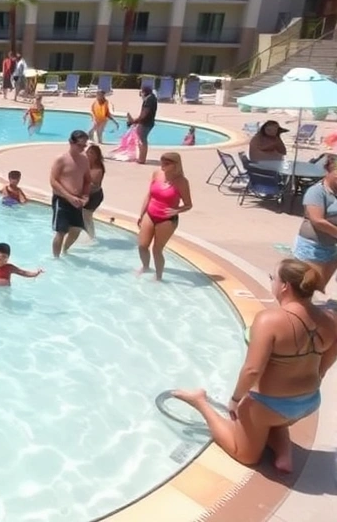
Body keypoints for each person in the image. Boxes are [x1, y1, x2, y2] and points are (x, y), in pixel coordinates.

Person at [172, 259, 337, 473]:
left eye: (273, 278)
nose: (273, 283)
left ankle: (199, 401)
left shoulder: (269, 321)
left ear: (285, 286)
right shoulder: (330, 319)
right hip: (309, 403)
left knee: (246, 454)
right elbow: (325, 365)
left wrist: (235, 401)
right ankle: (283, 453)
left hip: (268, 406)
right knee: (275, 420)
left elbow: (252, 370)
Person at [137, 152, 193, 281]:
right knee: (142, 245)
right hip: (150, 214)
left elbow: (189, 205)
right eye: (162, 162)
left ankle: (158, 276)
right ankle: (145, 267)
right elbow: (149, 195)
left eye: (167, 164)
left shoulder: (181, 182)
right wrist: (142, 214)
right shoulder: (157, 174)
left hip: (167, 219)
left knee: (157, 249)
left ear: (175, 165)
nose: (163, 165)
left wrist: (176, 210)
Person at [292, 156, 337, 292]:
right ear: (328, 171)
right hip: (312, 248)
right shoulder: (316, 191)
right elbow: (318, 221)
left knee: (319, 286)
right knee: (305, 287)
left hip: (331, 248)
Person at [49, 130, 91, 258]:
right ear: (71, 143)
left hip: (77, 200)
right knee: (61, 231)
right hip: (62, 199)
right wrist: (69, 197)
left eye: (84, 145)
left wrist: (85, 196)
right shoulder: (61, 159)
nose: (82, 148)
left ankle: (65, 251)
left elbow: (87, 180)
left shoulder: (84, 160)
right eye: (80, 145)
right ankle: (55, 258)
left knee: (77, 229)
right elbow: (53, 181)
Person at [126, 85, 158, 164]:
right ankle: (141, 158)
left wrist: (134, 121)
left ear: (144, 92)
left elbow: (145, 114)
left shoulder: (149, 100)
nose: (141, 94)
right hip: (147, 122)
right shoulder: (152, 98)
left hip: (146, 123)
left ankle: (142, 159)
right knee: (142, 140)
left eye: (141, 92)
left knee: (142, 140)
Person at [83, 144, 106, 240]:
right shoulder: (86, 165)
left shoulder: (98, 169)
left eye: (91, 153)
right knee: (84, 216)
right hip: (86, 194)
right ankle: (89, 235)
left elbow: (93, 185)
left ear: (96, 156)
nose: (88, 155)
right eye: (88, 152)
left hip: (94, 196)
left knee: (86, 216)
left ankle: (91, 237)